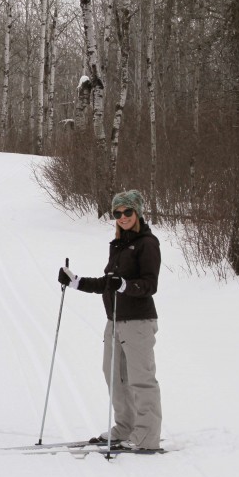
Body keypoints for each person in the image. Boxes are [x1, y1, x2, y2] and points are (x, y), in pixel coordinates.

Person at [58, 189, 163, 451]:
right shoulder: (117, 244)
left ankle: (147, 436)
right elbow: (109, 283)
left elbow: (149, 285)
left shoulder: (147, 243)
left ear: (137, 212)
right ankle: (125, 427)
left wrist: (126, 285)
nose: (122, 217)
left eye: (127, 211)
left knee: (141, 378)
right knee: (114, 376)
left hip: (138, 322)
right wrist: (76, 282)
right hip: (114, 321)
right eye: (117, 213)